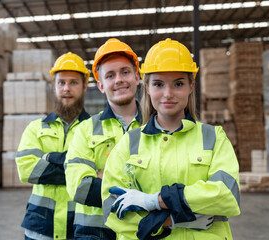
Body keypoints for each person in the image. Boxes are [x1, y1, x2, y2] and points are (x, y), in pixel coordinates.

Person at [101, 38, 241, 240]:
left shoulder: (213, 137)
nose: (168, 94)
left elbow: (226, 195)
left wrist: (155, 201)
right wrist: (174, 221)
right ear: (147, 87)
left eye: (178, 84)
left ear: (191, 86)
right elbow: (112, 209)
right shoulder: (130, 143)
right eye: (158, 84)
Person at [64, 38, 142, 239]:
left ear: (137, 76)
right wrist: (142, 191)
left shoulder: (157, 126)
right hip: (94, 233)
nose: (119, 80)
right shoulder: (85, 130)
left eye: (125, 72)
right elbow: (80, 188)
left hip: (145, 232)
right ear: (100, 85)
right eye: (110, 75)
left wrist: (102, 176)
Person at [16, 52, 90, 240]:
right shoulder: (35, 128)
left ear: (84, 87)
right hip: (40, 228)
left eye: (73, 82)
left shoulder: (95, 129)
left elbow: (101, 174)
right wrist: (78, 172)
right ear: (54, 87)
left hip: (81, 228)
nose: (66, 88)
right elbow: (26, 169)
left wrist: (48, 161)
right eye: (61, 82)